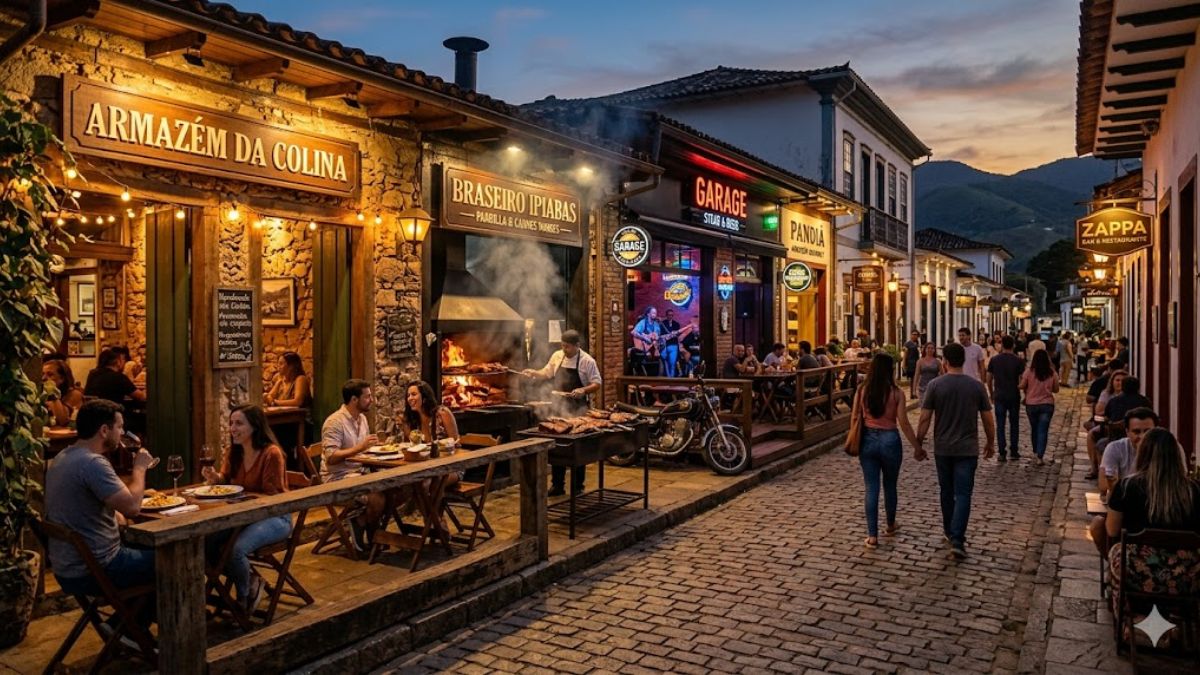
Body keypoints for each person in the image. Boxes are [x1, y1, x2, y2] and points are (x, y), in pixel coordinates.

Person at [45, 400, 156, 607]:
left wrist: (116, 511)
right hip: (97, 569)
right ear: (104, 430)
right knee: (176, 560)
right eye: (120, 427)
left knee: (153, 547)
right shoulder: (92, 463)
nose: (122, 433)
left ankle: (125, 629)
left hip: (66, 568)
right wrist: (140, 468)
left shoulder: (63, 457)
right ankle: (134, 630)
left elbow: (91, 503)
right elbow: (133, 508)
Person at [1101, 428, 1200, 613]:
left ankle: (1129, 615)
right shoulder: (1194, 491)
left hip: (1139, 573)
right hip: (1186, 578)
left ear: (1142, 453)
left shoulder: (1127, 487)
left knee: (1113, 544)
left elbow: (1112, 530)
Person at [202, 405, 289, 611]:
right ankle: (251, 580)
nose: (232, 428)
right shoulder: (234, 452)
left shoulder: (271, 453)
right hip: (242, 516)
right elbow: (227, 480)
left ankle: (243, 597)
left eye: (239, 423)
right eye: (231, 423)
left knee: (235, 550)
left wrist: (241, 500)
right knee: (204, 544)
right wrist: (216, 478)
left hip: (276, 516)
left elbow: (273, 496)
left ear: (255, 426)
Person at [916, 342, 996, 560]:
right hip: (968, 449)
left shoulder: (935, 385)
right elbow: (988, 419)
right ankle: (958, 538)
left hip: (943, 448)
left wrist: (919, 443)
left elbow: (925, 417)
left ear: (945, 361)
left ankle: (950, 531)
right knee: (963, 494)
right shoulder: (976, 386)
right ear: (963, 360)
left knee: (946, 491)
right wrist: (991, 442)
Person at [855, 353, 924, 549]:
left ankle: (872, 536)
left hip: (868, 439)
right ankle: (891, 524)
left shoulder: (863, 390)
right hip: (890, 439)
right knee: (890, 485)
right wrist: (917, 446)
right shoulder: (896, 393)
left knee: (871, 488)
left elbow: (855, 416)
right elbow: (903, 422)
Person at [523, 330, 602, 496]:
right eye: (563, 345)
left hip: (577, 408)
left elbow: (597, 383)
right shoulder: (557, 356)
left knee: (577, 448)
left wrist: (583, 390)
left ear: (577, 346)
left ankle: (578, 486)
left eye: (567, 346)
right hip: (557, 406)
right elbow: (547, 372)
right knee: (557, 445)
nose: (564, 349)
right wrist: (534, 373)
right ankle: (557, 485)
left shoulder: (587, 361)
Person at [320, 379, 386, 551]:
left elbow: (363, 450)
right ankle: (371, 537)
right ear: (354, 400)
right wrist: (359, 448)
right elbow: (331, 457)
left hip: (360, 473)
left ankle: (364, 524)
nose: (371, 400)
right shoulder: (334, 422)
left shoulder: (362, 418)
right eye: (367, 397)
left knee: (396, 488)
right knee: (377, 497)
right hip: (337, 478)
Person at [1098, 407, 1157, 500]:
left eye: (1148, 431)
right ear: (1127, 432)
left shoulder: (1170, 449)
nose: (1142, 437)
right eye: (1136, 432)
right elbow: (1103, 486)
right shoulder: (1115, 448)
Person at [986, 335, 1025, 462]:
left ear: (1002, 345)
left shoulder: (995, 360)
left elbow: (989, 378)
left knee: (1000, 424)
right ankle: (1014, 451)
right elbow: (1022, 380)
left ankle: (1002, 452)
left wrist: (991, 393)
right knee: (1014, 424)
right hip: (1013, 395)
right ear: (1013, 345)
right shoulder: (1018, 361)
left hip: (999, 395)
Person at [1019, 349, 1059, 466]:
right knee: (1043, 430)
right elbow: (1056, 389)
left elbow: (1022, 386)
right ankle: (1040, 457)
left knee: (1034, 429)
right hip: (1047, 404)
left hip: (1031, 405)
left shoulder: (1029, 372)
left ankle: (1035, 452)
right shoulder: (1052, 373)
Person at [42, 358, 84, 427]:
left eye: (50, 375)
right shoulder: (43, 395)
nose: (43, 378)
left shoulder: (74, 394)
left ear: (62, 378)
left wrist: (53, 394)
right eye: (43, 374)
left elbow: (62, 420)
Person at [629, 307, 663, 376]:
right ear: (648, 314)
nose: (655, 315)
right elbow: (633, 332)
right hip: (643, 347)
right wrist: (644, 338)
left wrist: (655, 338)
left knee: (660, 344)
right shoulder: (643, 322)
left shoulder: (656, 324)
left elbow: (656, 336)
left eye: (655, 313)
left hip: (652, 348)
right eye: (653, 313)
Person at [659, 309, 684, 378]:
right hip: (664, 346)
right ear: (666, 315)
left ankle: (671, 379)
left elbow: (677, 334)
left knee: (672, 363)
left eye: (672, 315)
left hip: (673, 345)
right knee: (666, 362)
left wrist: (673, 334)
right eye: (669, 315)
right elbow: (660, 334)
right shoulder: (662, 323)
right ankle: (668, 378)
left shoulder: (676, 324)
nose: (670, 316)